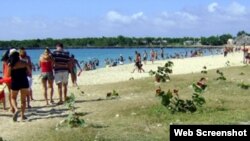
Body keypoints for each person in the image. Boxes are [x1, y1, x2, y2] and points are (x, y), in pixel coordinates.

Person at [8, 50, 31, 121]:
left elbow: (9, 75)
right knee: (23, 100)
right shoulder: (24, 62)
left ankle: (16, 109)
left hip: (15, 82)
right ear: (18, 55)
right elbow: (29, 72)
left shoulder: (10, 65)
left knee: (13, 98)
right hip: (24, 82)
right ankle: (22, 116)